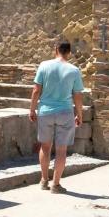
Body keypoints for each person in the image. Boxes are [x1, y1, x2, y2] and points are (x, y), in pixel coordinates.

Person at [29, 38, 84, 192]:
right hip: (65, 112)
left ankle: (43, 180)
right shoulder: (74, 70)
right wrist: (79, 114)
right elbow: (78, 95)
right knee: (61, 150)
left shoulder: (44, 66)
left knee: (45, 147)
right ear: (69, 53)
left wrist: (32, 109)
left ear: (55, 49)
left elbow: (36, 90)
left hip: (45, 111)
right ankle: (56, 184)